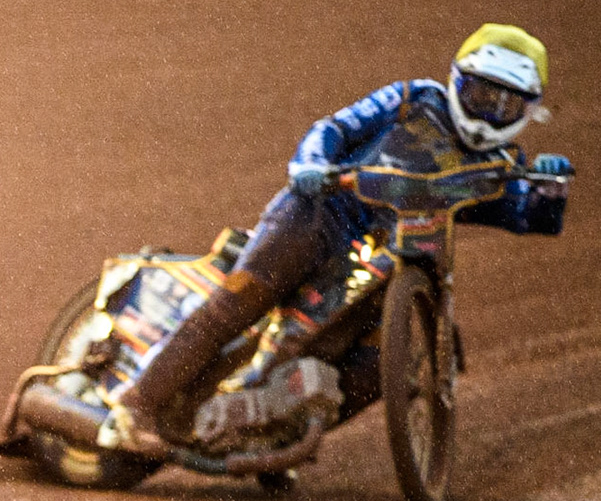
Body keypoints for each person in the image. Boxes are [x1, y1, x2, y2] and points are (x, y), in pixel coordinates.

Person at [105, 24, 573, 453]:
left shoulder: (501, 165)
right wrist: (310, 166)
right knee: (240, 302)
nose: (489, 113)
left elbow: (529, 216)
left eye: (506, 104)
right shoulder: (413, 98)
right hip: (321, 213)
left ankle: (275, 431)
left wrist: (551, 191)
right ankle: (136, 406)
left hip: (395, 257)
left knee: (385, 366)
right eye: (479, 94)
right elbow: (336, 128)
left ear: (530, 109)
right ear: (456, 80)